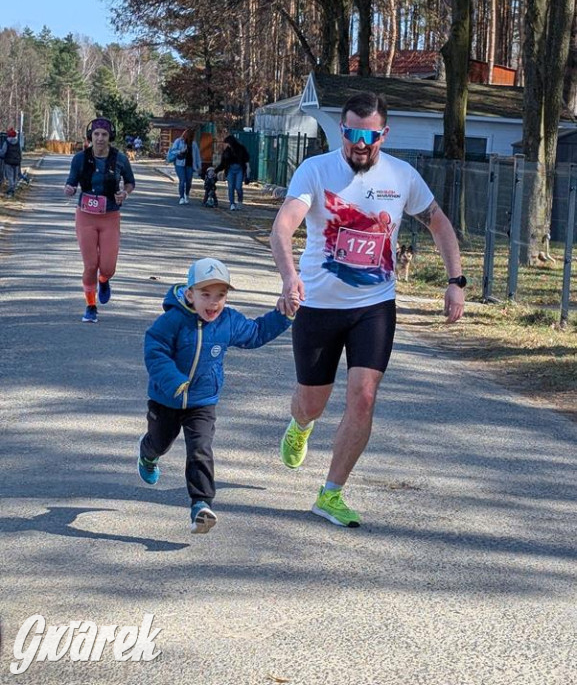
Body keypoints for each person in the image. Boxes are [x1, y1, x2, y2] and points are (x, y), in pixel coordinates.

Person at [270, 91, 465, 529]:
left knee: (363, 397)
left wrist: (455, 281)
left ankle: (331, 493)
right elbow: (283, 225)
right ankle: (301, 426)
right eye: (352, 133)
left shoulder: (402, 175)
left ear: (383, 134)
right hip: (319, 305)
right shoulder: (316, 171)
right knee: (311, 403)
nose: (360, 143)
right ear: (342, 131)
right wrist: (288, 276)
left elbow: (438, 221)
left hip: (373, 307)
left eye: (369, 134)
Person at [137, 257, 293, 534]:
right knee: (159, 442)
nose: (213, 303)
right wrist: (173, 380)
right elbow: (155, 350)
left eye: (220, 296)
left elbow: (255, 333)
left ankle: (201, 504)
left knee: (200, 450)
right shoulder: (172, 321)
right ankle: (147, 454)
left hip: (203, 402)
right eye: (205, 295)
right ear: (189, 294)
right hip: (167, 398)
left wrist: (285, 315)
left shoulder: (228, 321)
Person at [64, 117, 135, 323]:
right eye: (96, 134)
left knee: (107, 267)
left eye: (104, 134)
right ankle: (90, 305)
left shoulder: (119, 158)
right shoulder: (80, 158)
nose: (100, 138)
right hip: (85, 216)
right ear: (90, 136)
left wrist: (125, 193)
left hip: (110, 216)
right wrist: (69, 189)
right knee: (90, 265)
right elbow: (71, 182)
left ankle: (104, 280)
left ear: (110, 136)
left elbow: (130, 182)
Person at [214, 135, 250, 211]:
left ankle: (240, 201)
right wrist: (215, 171)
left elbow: (246, 159)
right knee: (231, 187)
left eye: (226, 143)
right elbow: (223, 164)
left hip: (239, 169)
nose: (225, 145)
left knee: (238, 187)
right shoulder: (226, 151)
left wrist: (247, 170)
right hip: (230, 169)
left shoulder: (241, 148)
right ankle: (232, 203)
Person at [167, 128, 201, 204]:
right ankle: (181, 197)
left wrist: (199, 166)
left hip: (190, 165)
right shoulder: (178, 141)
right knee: (182, 181)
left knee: (189, 182)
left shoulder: (194, 144)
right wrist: (180, 151)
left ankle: (187, 194)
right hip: (179, 164)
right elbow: (173, 151)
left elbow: (197, 156)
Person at [0, 128, 22, 196]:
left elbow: (3, 152)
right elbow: (20, 152)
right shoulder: (18, 142)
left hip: (8, 162)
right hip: (17, 162)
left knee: (10, 176)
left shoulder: (6, 142)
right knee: (15, 177)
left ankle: (11, 189)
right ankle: (13, 189)